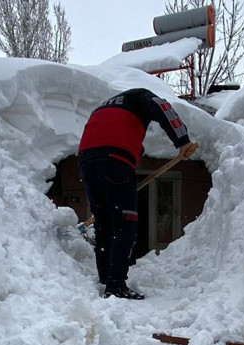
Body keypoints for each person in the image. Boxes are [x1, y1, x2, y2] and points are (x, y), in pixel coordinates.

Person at [78, 88, 194, 300]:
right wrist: (182, 140)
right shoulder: (140, 95)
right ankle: (116, 285)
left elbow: (119, 137)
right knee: (125, 223)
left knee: (104, 223)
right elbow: (162, 107)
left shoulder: (106, 108)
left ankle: (106, 278)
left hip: (87, 161)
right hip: (115, 159)